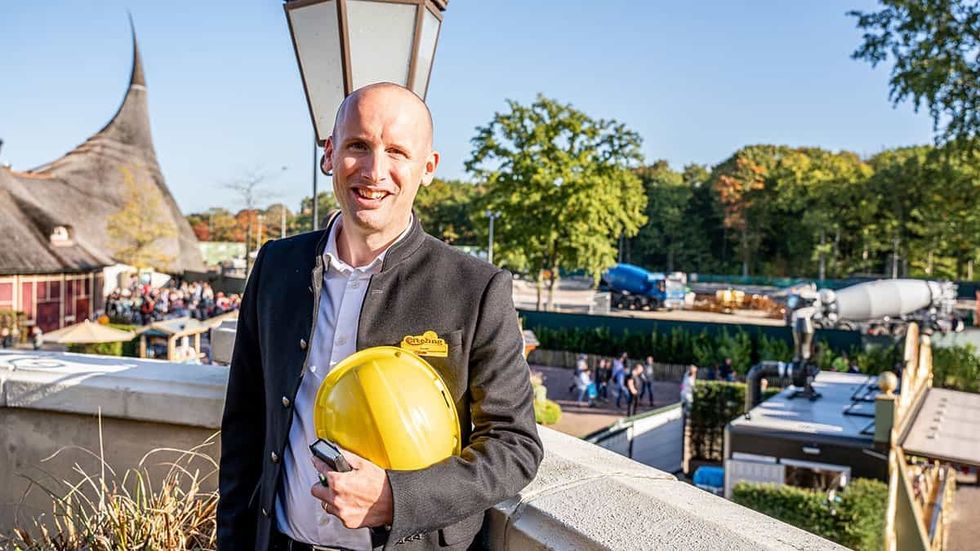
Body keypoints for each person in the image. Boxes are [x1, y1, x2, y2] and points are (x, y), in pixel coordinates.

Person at [218, 83, 543, 551]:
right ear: (329, 154)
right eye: (358, 146)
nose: (374, 171)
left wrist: (398, 498)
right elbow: (245, 422)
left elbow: (515, 446)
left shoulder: (477, 287)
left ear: (428, 168)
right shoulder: (274, 266)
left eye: (396, 151)